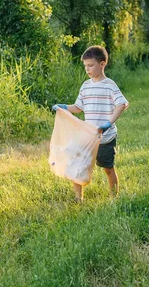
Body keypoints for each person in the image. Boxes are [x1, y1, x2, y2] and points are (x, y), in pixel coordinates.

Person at [52, 45, 129, 201]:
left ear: (102, 64)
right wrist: (64, 107)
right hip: (87, 136)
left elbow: (122, 104)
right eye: (86, 66)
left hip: (105, 137)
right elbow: (78, 107)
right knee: (77, 166)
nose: (87, 69)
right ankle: (78, 198)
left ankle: (114, 198)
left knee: (108, 168)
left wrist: (108, 123)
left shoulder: (109, 85)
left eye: (91, 65)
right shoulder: (86, 86)